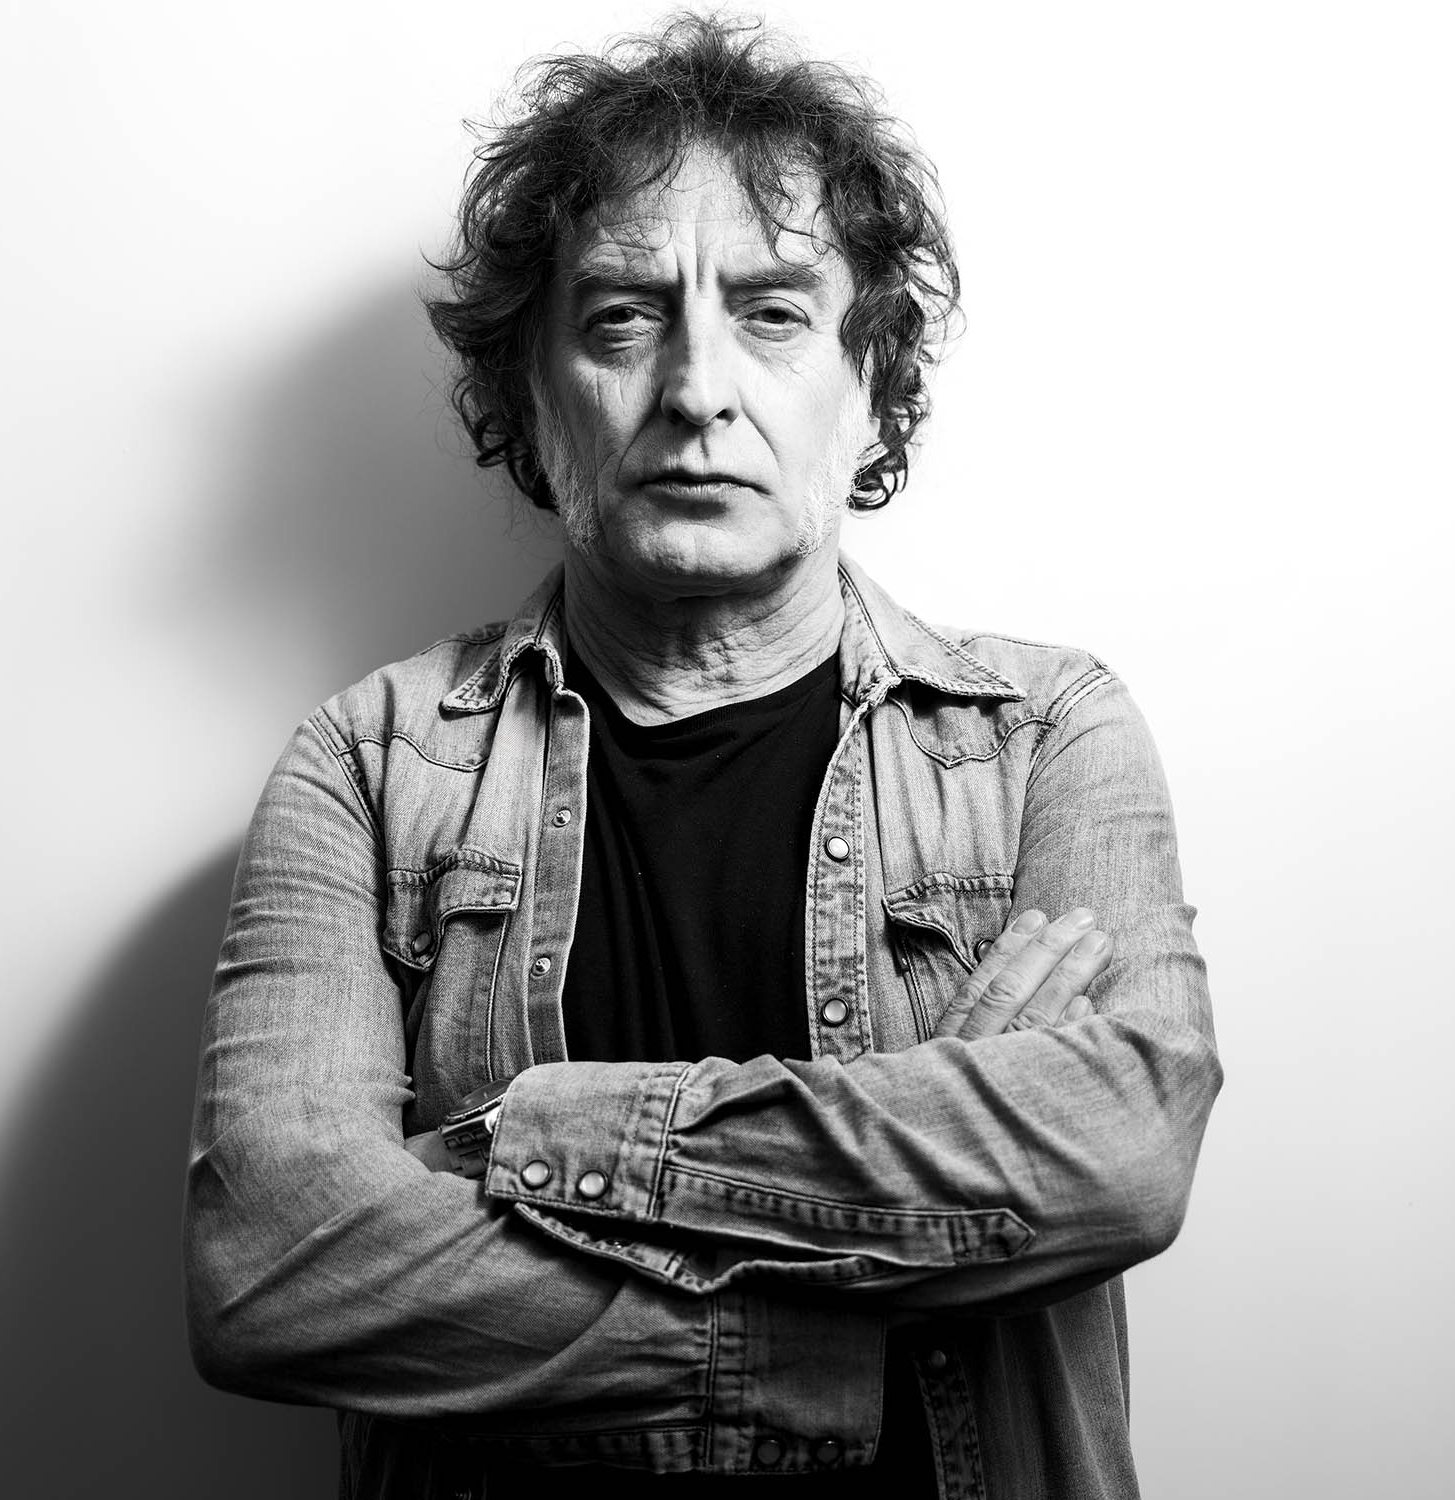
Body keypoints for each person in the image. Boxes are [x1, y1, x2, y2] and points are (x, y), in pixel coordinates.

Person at [184, 15, 1222, 1498]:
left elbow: (1117, 1158)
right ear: (530, 398)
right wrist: (869, 1257)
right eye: (620, 318)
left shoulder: (1045, 736)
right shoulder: (365, 766)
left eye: (774, 313)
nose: (695, 388)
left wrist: (527, 1142)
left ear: (871, 384)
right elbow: (275, 1273)